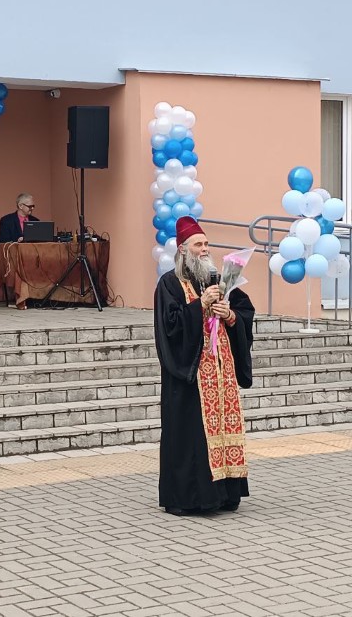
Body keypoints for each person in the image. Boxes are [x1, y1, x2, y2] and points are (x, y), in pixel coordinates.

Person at [154, 216, 255, 516]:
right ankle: (190, 499)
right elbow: (169, 326)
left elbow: (245, 312)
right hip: (191, 377)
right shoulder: (170, 283)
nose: (205, 249)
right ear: (183, 250)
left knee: (223, 430)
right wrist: (199, 305)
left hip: (222, 376)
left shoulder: (219, 280)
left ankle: (226, 494)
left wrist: (230, 316)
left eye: (207, 244)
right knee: (192, 437)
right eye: (198, 244)